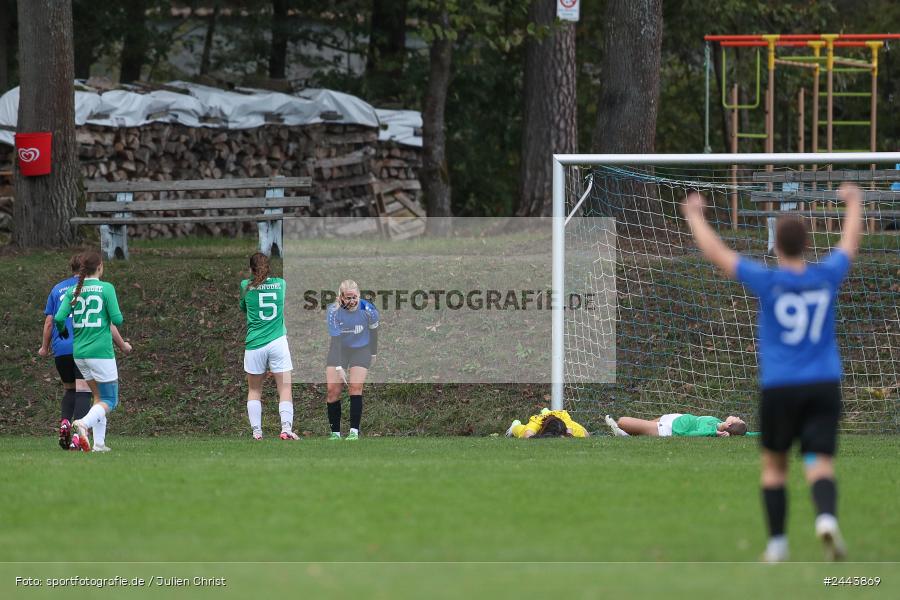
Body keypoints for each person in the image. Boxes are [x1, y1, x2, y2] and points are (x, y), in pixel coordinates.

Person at [680, 183, 862, 562]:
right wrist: (854, 203)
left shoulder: (769, 281)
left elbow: (718, 253)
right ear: (808, 245)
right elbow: (848, 245)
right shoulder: (825, 276)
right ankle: (826, 518)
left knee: (775, 469)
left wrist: (695, 215)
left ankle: (778, 545)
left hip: (780, 387)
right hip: (824, 384)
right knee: (819, 462)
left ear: (776, 246)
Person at [54, 250, 132, 452]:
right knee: (110, 400)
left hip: (79, 353)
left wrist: (63, 332)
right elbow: (118, 320)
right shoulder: (106, 288)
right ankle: (83, 424)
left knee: (98, 397)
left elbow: (59, 319)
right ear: (99, 267)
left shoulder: (73, 291)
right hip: (101, 353)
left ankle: (99, 444)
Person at [239, 252, 298, 440]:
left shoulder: (245, 286)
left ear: (251, 269)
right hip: (277, 342)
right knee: (285, 387)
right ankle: (286, 429)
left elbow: (243, 307)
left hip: (255, 343)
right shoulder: (281, 284)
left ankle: (257, 432)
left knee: (255, 390)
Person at [39, 254, 95, 449]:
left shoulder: (57, 289)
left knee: (69, 389)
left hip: (61, 348)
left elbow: (49, 322)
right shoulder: (91, 288)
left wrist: (45, 347)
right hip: (83, 346)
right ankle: (78, 437)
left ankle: (64, 422)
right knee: (83, 391)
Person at [325, 280, 379, 440]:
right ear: (340, 297)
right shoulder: (333, 311)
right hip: (339, 349)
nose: (352, 301)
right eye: (348, 298)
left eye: (354, 297)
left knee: (355, 387)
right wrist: (339, 367)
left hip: (361, 349)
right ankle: (335, 433)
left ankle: (354, 432)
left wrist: (373, 353)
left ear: (359, 295)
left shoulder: (369, 309)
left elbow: (374, 332)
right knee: (332, 391)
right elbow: (335, 342)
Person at [604, 413, 746, 437]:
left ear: (729, 425)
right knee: (637, 426)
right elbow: (749, 434)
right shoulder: (718, 422)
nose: (738, 417)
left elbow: (686, 434)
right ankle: (624, 435)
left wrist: (712, 433)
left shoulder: (712, 430)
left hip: (670, 429)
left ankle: (622, 432)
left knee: (622, 422)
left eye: (737, 419)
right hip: (676, 418)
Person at [506, 408, 589, 438]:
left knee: (584, 434)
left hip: (564, 421)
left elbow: (570, 434)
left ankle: (547, 411)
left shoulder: (565, 418)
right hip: (540, 424)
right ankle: (514, 426)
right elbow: (527, 436)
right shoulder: (536, 422)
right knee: (520, 430)